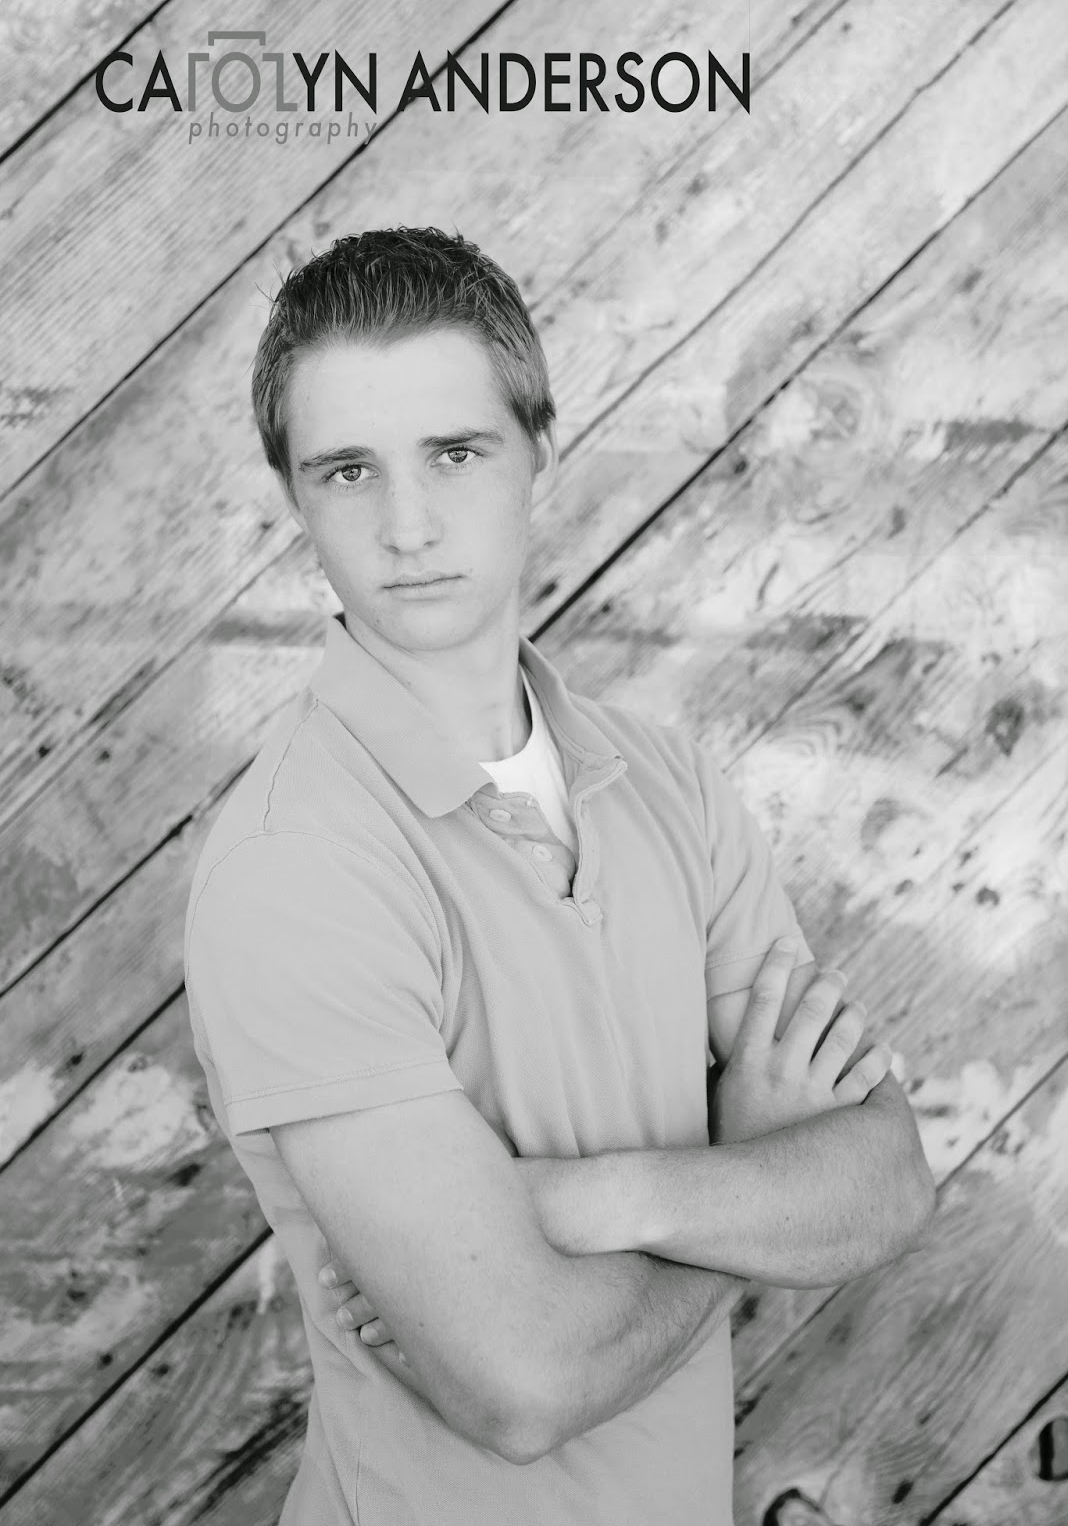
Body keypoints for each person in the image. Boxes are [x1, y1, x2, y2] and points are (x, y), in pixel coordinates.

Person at [182, 227, 935, 1525]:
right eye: (349, 470)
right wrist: (745, 1172)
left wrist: (590, 1199)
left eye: (455, 453)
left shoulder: (669, 785)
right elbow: (525, 1385)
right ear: (295, 499)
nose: (407, 525)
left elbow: (884, 1181)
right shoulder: (294, 868)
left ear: (541, 450)